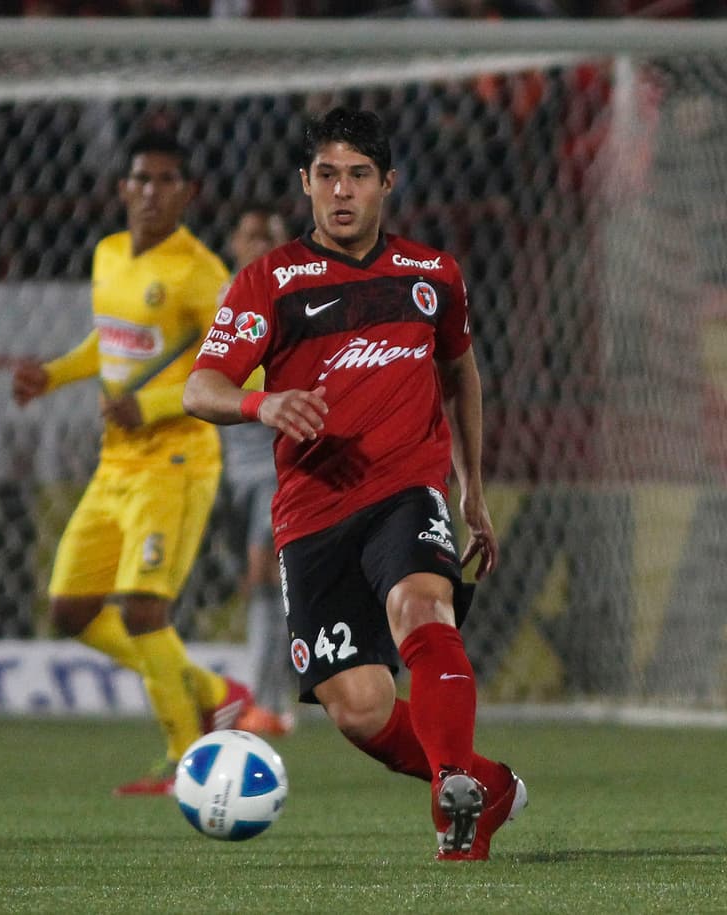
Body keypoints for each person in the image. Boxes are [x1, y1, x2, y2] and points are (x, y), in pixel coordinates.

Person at [183, 106, 526, 861]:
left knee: (422, 604)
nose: (342, 191)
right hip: (312, 513)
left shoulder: (433, 275)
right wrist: (263, 402)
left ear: (387, 183)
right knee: (359, 707)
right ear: (306, 183)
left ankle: (454, 806)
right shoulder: (269, 281)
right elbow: (199, 388)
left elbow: (459, 372)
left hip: (406, 489)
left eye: (359, 175)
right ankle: (486, 784)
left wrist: (471, 489)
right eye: (328, 175)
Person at [11, 131, 278, 797]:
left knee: (142, 610)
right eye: (141, 179)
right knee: (70, 609)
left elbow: (251, 366)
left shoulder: (203, 274)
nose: (151, 191)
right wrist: (55, 375)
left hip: (178, 462)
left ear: (188, 193)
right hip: (116, 466)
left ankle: (189, 759)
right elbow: (110, 340)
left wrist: (154, 405)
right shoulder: (107, 254)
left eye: (166, 180)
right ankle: (214, 692)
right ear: (123, 187)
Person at [217, 206, 295, 735]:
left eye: (271, 236)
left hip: (277, 453)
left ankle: (270, 703)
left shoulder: (296, 297)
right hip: (229, 460)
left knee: (265, 569)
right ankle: (267, 694)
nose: (261, 244)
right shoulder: (221, 298)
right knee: (255, 578)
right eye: (252, 235)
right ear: (234, 243)